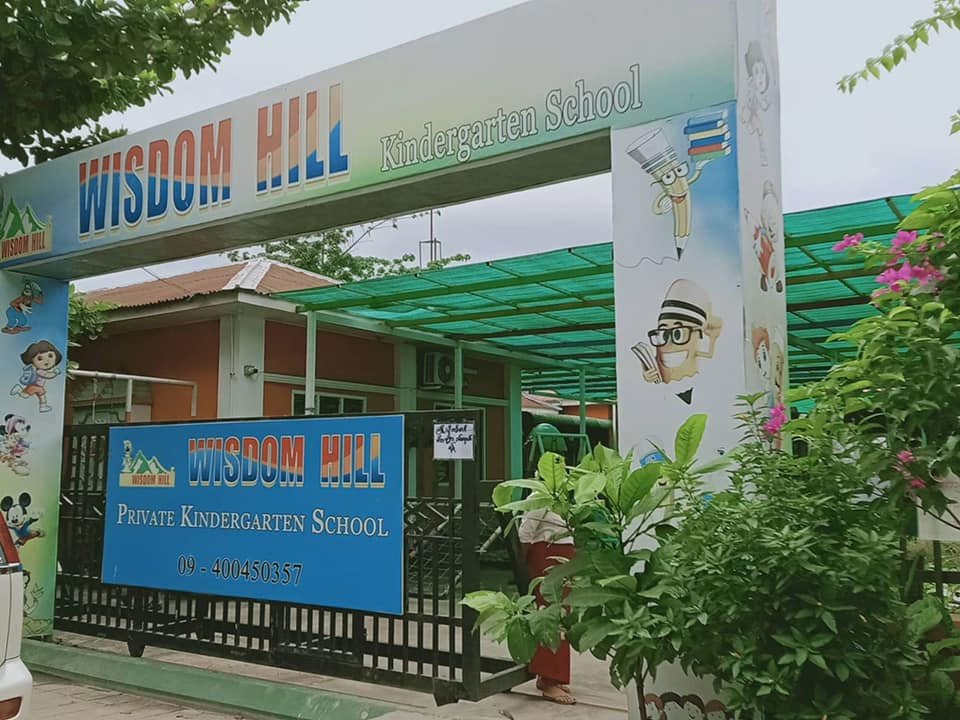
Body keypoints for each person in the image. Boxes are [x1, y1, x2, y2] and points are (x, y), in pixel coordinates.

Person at [518, 507, 576, 704]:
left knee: (562, 617)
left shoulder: (564, 498)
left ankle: (551, 677)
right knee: (551, 616)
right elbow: (525, 532)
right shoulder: (541, 496)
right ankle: (549, 679)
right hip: (547, 555)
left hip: (561, 556)